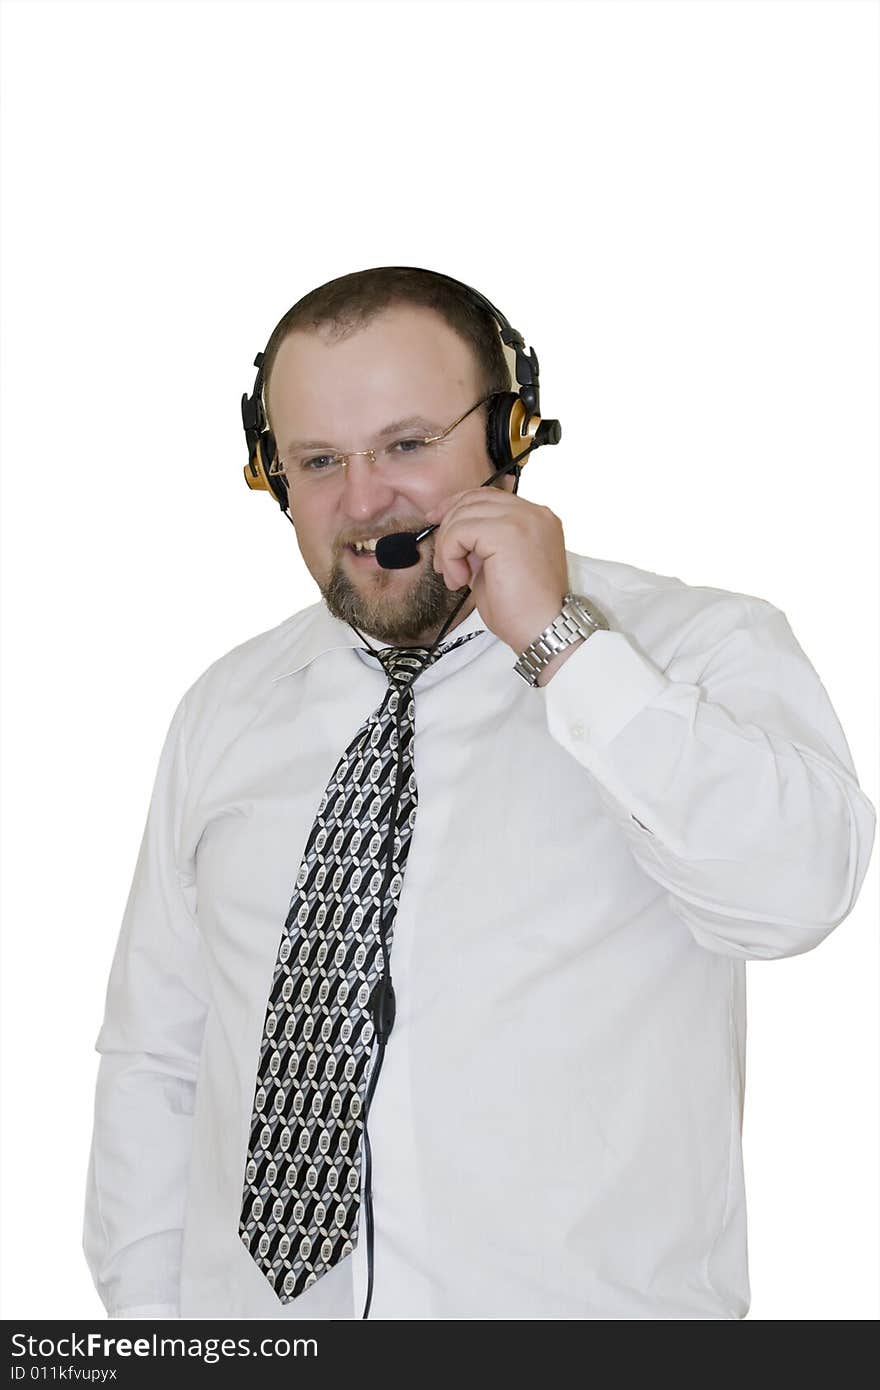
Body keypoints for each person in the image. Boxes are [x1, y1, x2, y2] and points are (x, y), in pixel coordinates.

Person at [83, 266, 876, 1321]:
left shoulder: (694, 651)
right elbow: (158, 1060)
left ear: (511, 432)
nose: (363, 501)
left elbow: (792, 896)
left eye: (407, 445)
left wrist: (561, 647)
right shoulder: (225, 710)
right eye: (320, 460)